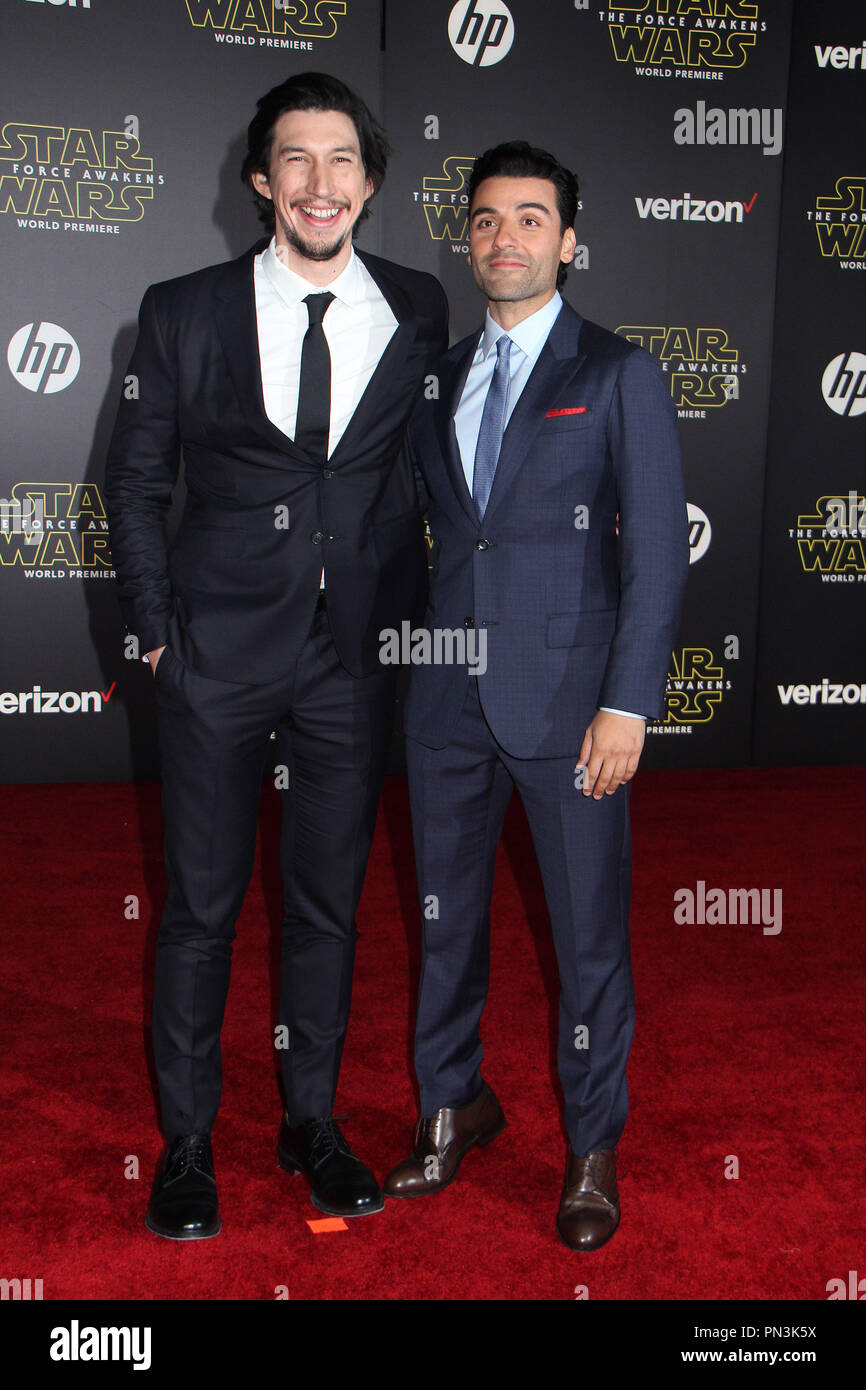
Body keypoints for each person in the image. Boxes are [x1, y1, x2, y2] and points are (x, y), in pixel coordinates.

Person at [105, 72, 448, 1240]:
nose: (319, 182)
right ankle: (188, 1138)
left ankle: (312, 1122)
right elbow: (139, 482)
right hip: (214, 655)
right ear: (260, 180)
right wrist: (158, 635)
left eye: (341, 158)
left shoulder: (415, 306)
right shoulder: (182, 309)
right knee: (201, 908)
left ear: (369, 178)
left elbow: (423, 469)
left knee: (327, 910)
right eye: (294, 159)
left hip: (351, 659)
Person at [383, 141, 688, 1251]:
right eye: (483, 220)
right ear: (466, 238)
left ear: (566, 240)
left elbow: (656, 555)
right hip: (443, 704)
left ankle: (591, 1145)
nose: (502, 238)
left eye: (527, 219)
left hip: (570, 706)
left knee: (586, 939)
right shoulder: (439, 377)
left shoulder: (618, 373)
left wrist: (629, 703)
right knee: (442, 922)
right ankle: (450, 1104)